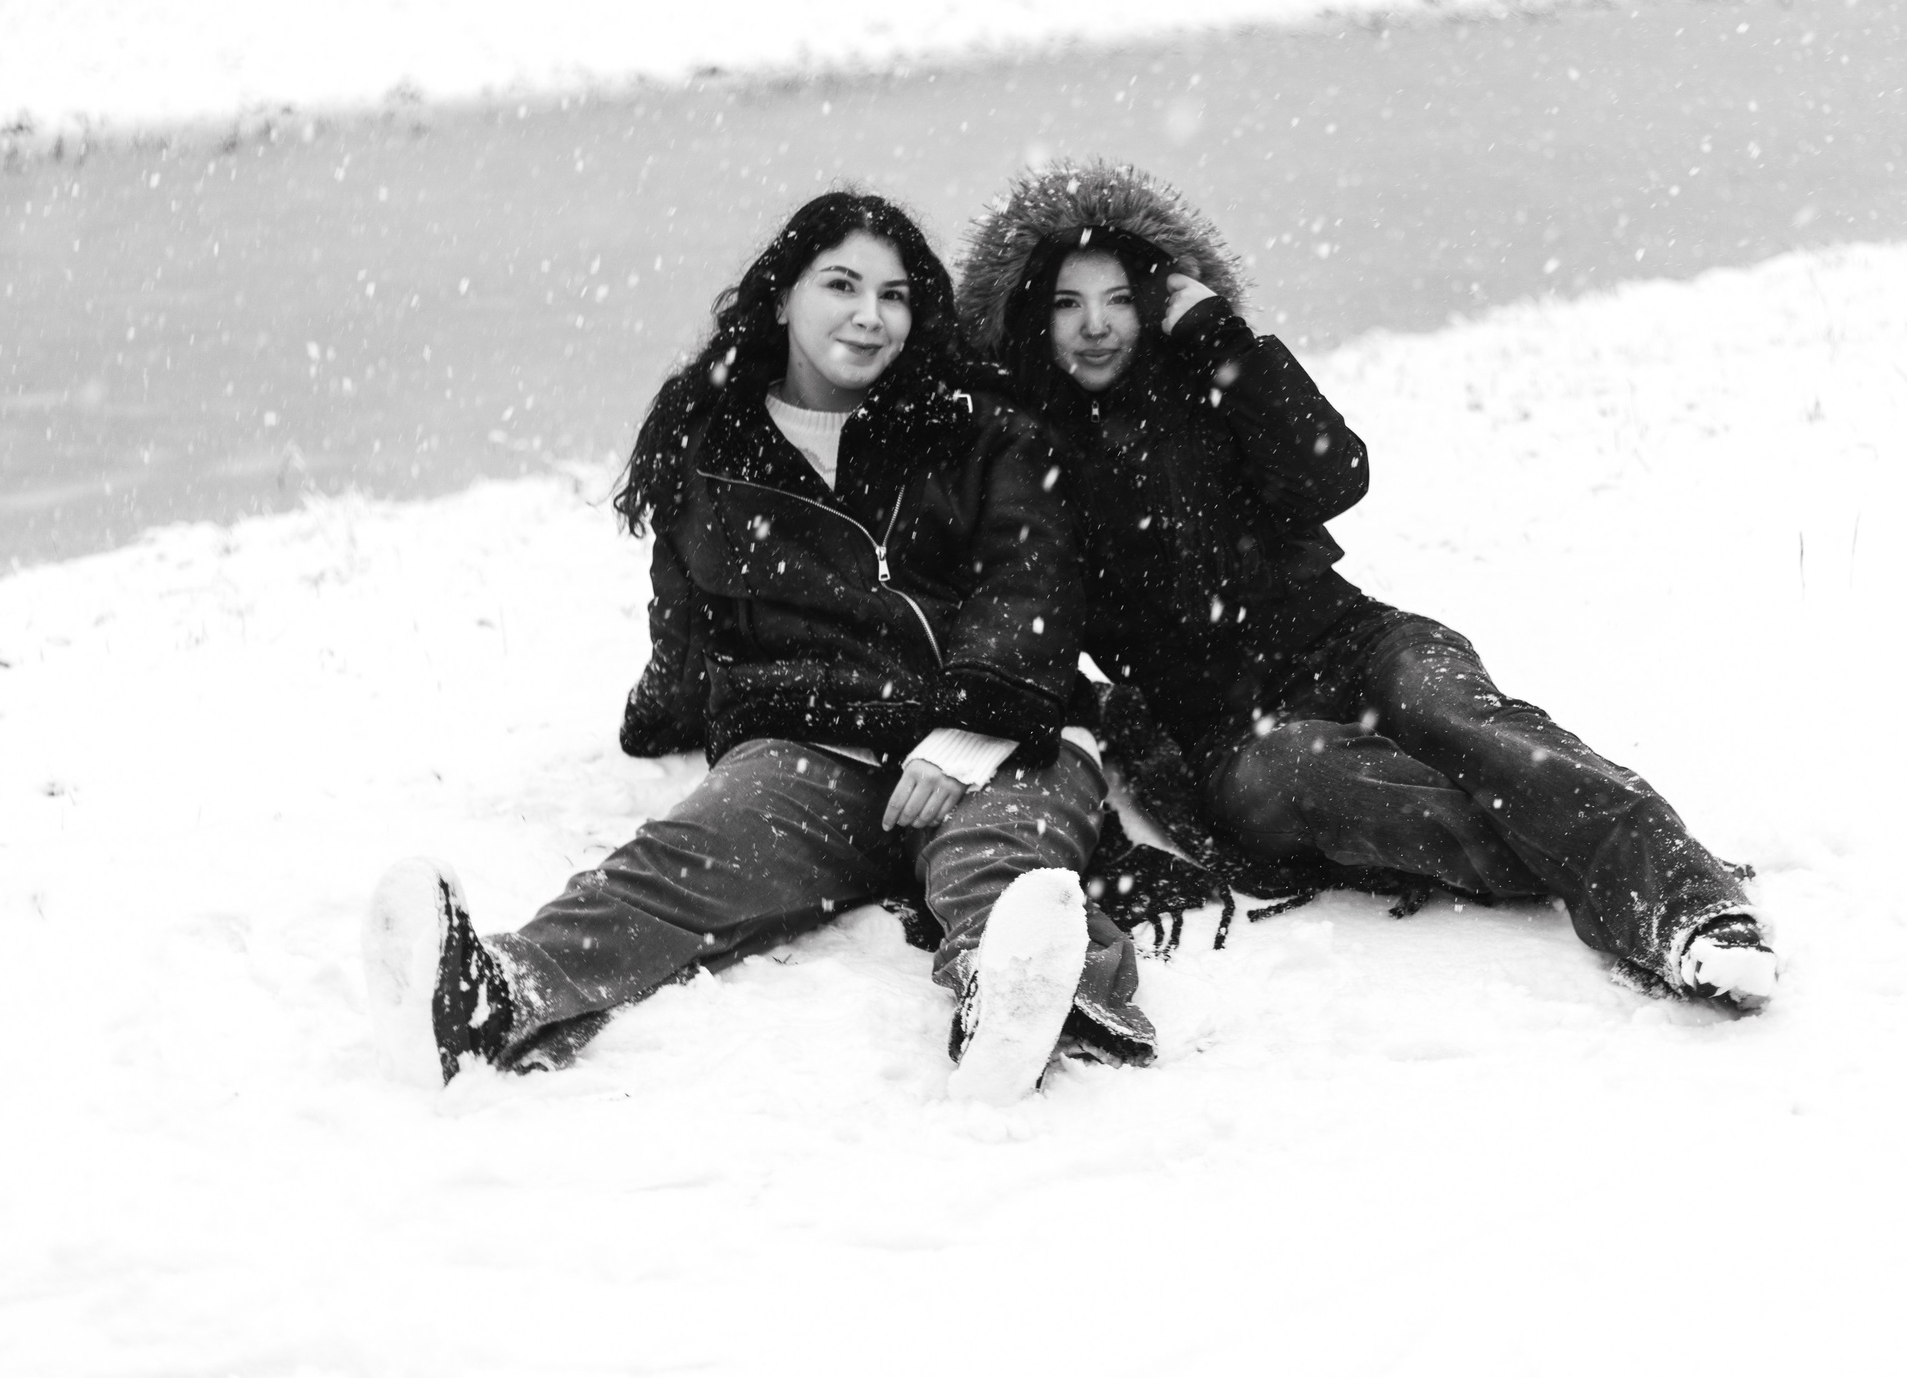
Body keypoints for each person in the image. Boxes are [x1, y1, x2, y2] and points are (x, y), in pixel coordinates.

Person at [362, 192, 1155, 1103]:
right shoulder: (712, 450)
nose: (870, 315)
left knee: (994, 867)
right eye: (843, 285)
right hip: (823, 746)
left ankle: (1020, 1005)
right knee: (672, 867)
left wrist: (968, 733)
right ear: (782, 296)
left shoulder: (977, 432)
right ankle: (492, 995)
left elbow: (1031, 590)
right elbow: (690, 613)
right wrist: (660, 713)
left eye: (894, 295)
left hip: (1004, 737)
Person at [955, 163, 1780, 1010]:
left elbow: (1333, 476)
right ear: (1028, 314)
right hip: (1228, 732)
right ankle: (1619, 853)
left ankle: (1691, 909)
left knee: (1459, 718)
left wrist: (1222, 341)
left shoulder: (1210, 381)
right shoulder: (1023, 452)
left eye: (1119, 298)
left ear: (1157, 298)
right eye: (1066, 302)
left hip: (1351, 639)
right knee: (1311, 778)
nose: (1095, 325)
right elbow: (1027, 601)